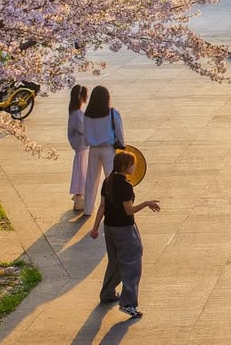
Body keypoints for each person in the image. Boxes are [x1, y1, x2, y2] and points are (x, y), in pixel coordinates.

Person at [90, 150, 160, 318]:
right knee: (132, 264)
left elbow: (102, 207)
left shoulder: (108, 181)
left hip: (109, 228)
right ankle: (128, 304)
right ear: (124, 167)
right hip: (125, 229)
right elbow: (128, 211)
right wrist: (146, 203)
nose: (135, 167)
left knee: (115, 261)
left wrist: (95, 227)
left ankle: (107, 293)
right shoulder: (126, 186)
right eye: (132, 164)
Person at [82, 85, 124, 218]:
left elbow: (85, 134)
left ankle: (88, 208)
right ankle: (114, 207)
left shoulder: (87, 115)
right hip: (108, 149)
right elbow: (119, 130)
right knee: (111, 179)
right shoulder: (112, 113)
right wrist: (122, 144)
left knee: (91, 179)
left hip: (93, 149)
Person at [67, 84, 89, 211]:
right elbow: (84, 129)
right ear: (80, 97)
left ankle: (79, 196)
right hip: (82, 147)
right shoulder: (77, 114)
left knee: (81, 171)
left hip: (81, 147)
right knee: (81, 172)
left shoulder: (75, 113)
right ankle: (79, 197)